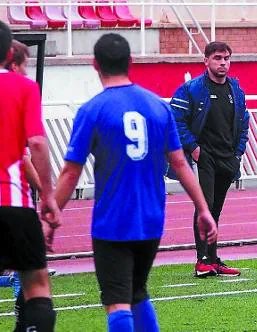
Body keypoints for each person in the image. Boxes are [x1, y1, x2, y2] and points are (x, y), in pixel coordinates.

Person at [53, 33, 218, 331]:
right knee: (137, 292)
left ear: (95, 64)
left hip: (112, 222)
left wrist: (52, 215)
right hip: (151, 221)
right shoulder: (158, 106)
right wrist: (203, 209)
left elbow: (70, 173)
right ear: (130, 62)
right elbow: (180, 163)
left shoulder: (92, 110)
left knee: (117, 300)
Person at [0, 20, 60, 332]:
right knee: (37, 286)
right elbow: (35, 143)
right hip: (13, 203)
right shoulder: (23, 88)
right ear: (10, 52)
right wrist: (49, 196)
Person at [170, 41, 249, 278]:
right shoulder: (192, 89)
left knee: (215, 209)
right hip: (205, 158)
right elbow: (175, 119)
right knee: (204, 206)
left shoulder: (236, 90)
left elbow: (244, 122)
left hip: (228, 158)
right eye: (217, 58)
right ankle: (202, 259)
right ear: (206, 61)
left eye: (226, 58)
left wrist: (238, 152)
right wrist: (194, 148)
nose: (222, 62)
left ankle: (213, 258)